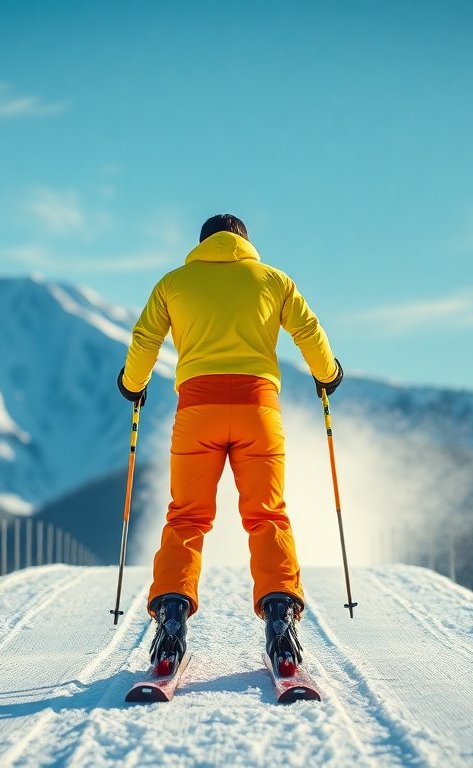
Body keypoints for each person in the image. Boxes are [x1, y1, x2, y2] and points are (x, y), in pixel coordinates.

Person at [117, 213, 342, 675]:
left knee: (187, 516)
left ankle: (172, 621)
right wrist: (327, 374)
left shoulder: (174, 282)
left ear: (203, 244)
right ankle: (280, 618)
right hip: (259, 411)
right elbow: (308, 330)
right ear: (245, 243)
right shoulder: (273, 280)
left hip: (197, 412)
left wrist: (132, 383)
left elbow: (145, 338)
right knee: (267, 514)